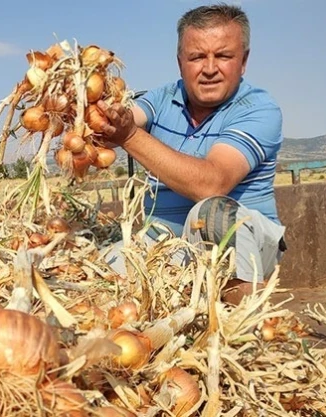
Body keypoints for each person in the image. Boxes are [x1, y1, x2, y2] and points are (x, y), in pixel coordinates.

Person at [97, 3, 286, 305]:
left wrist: (129, 136)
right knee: (95, 273)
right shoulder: (161, 98)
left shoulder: (259, 109)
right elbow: (124, 119)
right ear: (180, 62)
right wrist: (96, 118)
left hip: (241, 244)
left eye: (223, 56)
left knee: (212, 214)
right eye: (196, 57)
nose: (209, 69)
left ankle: (241, 321)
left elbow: (211, 184)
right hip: (164, 248)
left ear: (244, 60)